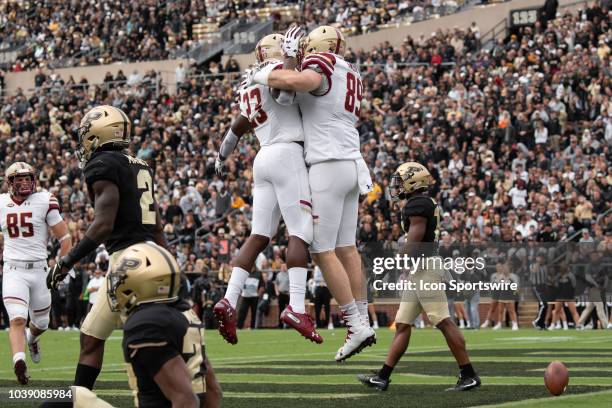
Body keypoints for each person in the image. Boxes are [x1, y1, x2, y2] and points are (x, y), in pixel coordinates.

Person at [248, 25, 376, 361]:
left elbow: (301, 82)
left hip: (327, 162)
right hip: (350, 162)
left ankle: (354, 324)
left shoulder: (323, 61)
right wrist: (289, 64)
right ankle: (363, 318)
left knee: (321, 249)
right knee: (347, 248)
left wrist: (265, 74)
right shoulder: (352, 71)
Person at [46, 105, 167, 390]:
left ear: (96, 135)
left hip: (129, 261)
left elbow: (103, 225)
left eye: (86, 136)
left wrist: (66, 261)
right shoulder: (139, 165)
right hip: (148, 256)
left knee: (141, 342)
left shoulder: (103, 164)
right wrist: (168, 260)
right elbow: (157, 223)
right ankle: (80, 397)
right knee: (90, 335)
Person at [213, 33, 321, 345]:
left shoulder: (250, 83)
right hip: (286, 152)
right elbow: (285, 95)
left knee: (259, 236)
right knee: (301, 230)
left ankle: (229, 300)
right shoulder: (275, 70)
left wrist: (220, 157)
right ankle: (297, 307)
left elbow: (235, 129)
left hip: (262, 158)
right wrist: (288, 60)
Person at [357, 162, 480, 392]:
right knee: (403, 324)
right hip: (419, 270)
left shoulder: (418, 204)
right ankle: (383, 377)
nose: (398, 186)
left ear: (414, 182)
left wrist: (391, 258)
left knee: (443, 320)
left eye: (401, 181)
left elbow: (413, 243)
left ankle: (469, 374)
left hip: (425, 269)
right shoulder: (422, 202)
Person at [108, 242, 222, 407]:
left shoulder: (147, 323)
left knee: (70, 396)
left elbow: (186, 401)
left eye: (122, 280)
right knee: (64, 395)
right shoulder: (184, 313)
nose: (117, 287)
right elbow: (214, 391)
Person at [0, 162, 72, 384]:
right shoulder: (1, 203)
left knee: (41, 323)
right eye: (19, 179)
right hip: (13, 270)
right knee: (17, 318)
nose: (24, 182)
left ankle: (31, 340)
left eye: (28, 177)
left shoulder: (44, 200)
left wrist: (61, 267)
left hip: (41, 270)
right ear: (9, 182)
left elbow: (65, 238)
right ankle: (19, 362)